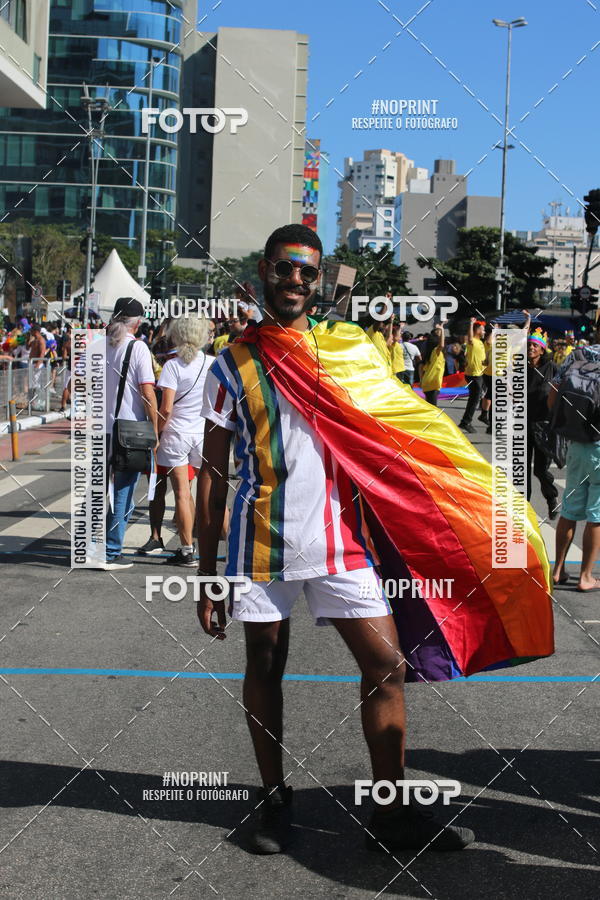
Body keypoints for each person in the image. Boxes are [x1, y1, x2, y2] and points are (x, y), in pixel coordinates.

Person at [196, 224, 554, 857]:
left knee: (387, 668)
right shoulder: (231, 363)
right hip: (260, 545)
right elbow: (213, 474)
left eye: (307, 271)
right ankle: (274, 802)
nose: (295, 281)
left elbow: (401, 425)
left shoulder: (348, 350)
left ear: (318, 279)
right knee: (265, 668)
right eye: (284, 268)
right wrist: (206, 573)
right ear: (263, 271)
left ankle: (389, 810)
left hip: (342, 540)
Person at [105, 297, 158, 570]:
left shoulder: (97, 344)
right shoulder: (138, 348)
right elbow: (148, 392)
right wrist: (155, 428)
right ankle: (111, 549)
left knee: (99, 488)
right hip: (129, 431)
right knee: (123, 490)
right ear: (136, 323)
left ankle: (91, 544)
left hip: (99, 428)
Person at [549, 319, 600, 589]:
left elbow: (553, 395)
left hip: (577, 443)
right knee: (596, 514)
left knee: (569, 509)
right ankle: (585, 577)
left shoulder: (577, 354)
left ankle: (558, 570)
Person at [156, 315, 210, 567]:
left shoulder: (172, 366)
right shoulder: (212, 363)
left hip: (176, 433)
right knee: (208, 493)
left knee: (181, 492)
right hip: (203, 434)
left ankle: (187, 550)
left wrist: (156, 433)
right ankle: (218, 546)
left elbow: (166, 408)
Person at [525, 329, 559, 519]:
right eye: (529, 345)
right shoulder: (519, 367)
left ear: (542, 349)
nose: (531, 348)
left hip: (544, 427)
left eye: (534, 345)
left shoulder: (552, 368)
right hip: (521, 425)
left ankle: (551, 497)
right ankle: (523, 509)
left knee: (540, 469)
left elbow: (563, 391)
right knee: (521, 471)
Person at [459, 318, 486, 433]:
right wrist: (471, 324)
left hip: (480, 374)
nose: (484, 331)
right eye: (483, 329)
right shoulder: (472, 341)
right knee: (474, 400)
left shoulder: (480, 342)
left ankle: (466, 421)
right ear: (477, 330)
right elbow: (469, 338)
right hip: (474, 375)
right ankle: (466, 422)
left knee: (475, 399)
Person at [419, 324, 445, 405]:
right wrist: (442, 329)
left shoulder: (429, 353)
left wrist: (421, 380)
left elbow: (420, 366)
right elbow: (442, 345)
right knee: (433, 408)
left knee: (430, 406)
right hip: (432, 384)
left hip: (427, 382)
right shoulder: (435, 352)